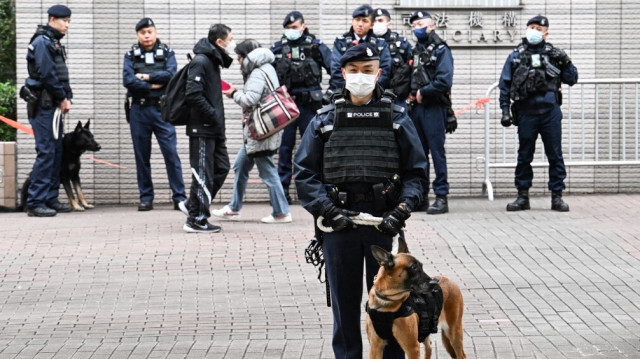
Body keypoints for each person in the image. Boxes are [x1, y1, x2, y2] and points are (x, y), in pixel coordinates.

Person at [294, 43, 428, 359]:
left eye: (367, 71)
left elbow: (417, 172)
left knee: (390, 305)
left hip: (383, 221)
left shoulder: (396, 117)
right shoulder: (324, 119)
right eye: (353, 71)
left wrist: (403, 209)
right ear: (343, 73)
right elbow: (305, 174)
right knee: (344, 304)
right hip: (338, 223)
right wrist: (326, 209)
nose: (360, 77)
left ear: (378, 72)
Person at [499, 15, 578, 212]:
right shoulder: (516, 55)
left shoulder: (554, 54)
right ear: (526, 29)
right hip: (526, 112)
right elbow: (504, 85)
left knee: (555, 154)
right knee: (524, 154)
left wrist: (566, 61)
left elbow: (572, 78)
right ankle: (522, 196)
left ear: (546, 33)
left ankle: (557, 196)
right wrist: (505, 111)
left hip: (550, 111)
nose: (534, 31)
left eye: (539, 29)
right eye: (531, 27)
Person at [212, 40, 292, 224]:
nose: (238, 61)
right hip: (259, 130)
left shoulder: (257, 72)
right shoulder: (267, 68)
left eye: (239, 57)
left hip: (260, 132)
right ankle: (234, 207)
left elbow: (250, 99)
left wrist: (233, 93)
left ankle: (281, 212)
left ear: (247, 56)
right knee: (240, 166)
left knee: (267, 171)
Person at [122, 18, 187, 212]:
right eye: (143, 33)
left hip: (162, 110)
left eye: (150, 31)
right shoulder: (131, 54)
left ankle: (179, 197)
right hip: (139, 111)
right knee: (142, 156)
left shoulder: (167, 53)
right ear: (137, 35)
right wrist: (152, 85)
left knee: (171, 153)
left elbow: (171, 75)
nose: (147, 36)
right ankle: (146, 197)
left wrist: (145, 76)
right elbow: (128, 80)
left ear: (155, 32)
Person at [270, 11, 332, 204]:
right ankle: (283, 192)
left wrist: (329, 95)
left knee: (314, 146)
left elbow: (336, 69)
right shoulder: (278, 49)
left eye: (294, 27)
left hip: (310, 105)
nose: (291, 31)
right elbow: (267, 76)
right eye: (288, 28)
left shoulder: (315, 46)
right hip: (286, 106)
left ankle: (317, 190)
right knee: (285, 148)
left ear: (303, 27)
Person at [180, 24, 234, 233]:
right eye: (230, 39)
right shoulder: (201, 61)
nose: (232, 42)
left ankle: (192, 205)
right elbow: (193, 94)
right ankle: (196, 219)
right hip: (202, 128)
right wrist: (212, 116)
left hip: (214, 128)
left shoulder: (212, 61)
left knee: (221, 168)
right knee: (203, 173)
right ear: (219, 42)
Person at [23, 4, 74, 217]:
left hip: (51, 106)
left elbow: (61, 74)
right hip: (44, 105)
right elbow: (48, 74)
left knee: (55, 152)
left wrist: (66, 97)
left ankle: (50, 198)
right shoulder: (42, 42)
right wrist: (62, 98)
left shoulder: (52, 41)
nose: (67, 25)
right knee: (46, 152)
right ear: (52, 19)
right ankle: (35, 201)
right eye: (64, 21)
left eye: (69, 21)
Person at [408, 10, 457, 215]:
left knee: (437, 153)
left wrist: (422, 92)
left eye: (420, 24)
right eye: (413, 25)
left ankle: (441, 197)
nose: (416, 28)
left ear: (431, 25)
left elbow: (444, 80)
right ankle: (422, 197)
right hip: (416, 109)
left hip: (434, 108)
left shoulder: (441, 50)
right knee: (419, 155)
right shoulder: (416, 51)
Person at [325, 4, 392, 101]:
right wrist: (350, 93)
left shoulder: (380, 44)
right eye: (357, 20)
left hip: (373, 96)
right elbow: (336, 70)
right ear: (352, 21)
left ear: (372, 25)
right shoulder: (341, 42)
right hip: (345, 96)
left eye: (365, 21)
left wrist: (371, 92)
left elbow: (384, 70)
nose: (360, 24)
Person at [372, 7, 413, 106]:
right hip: (373, 95)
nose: (377, 23)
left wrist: (414, 90)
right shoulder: (367, 43)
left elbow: (415, 63)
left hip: (397, 96)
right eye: (374, 21)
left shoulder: (401, 43)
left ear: (389, 24)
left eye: (380, 20)